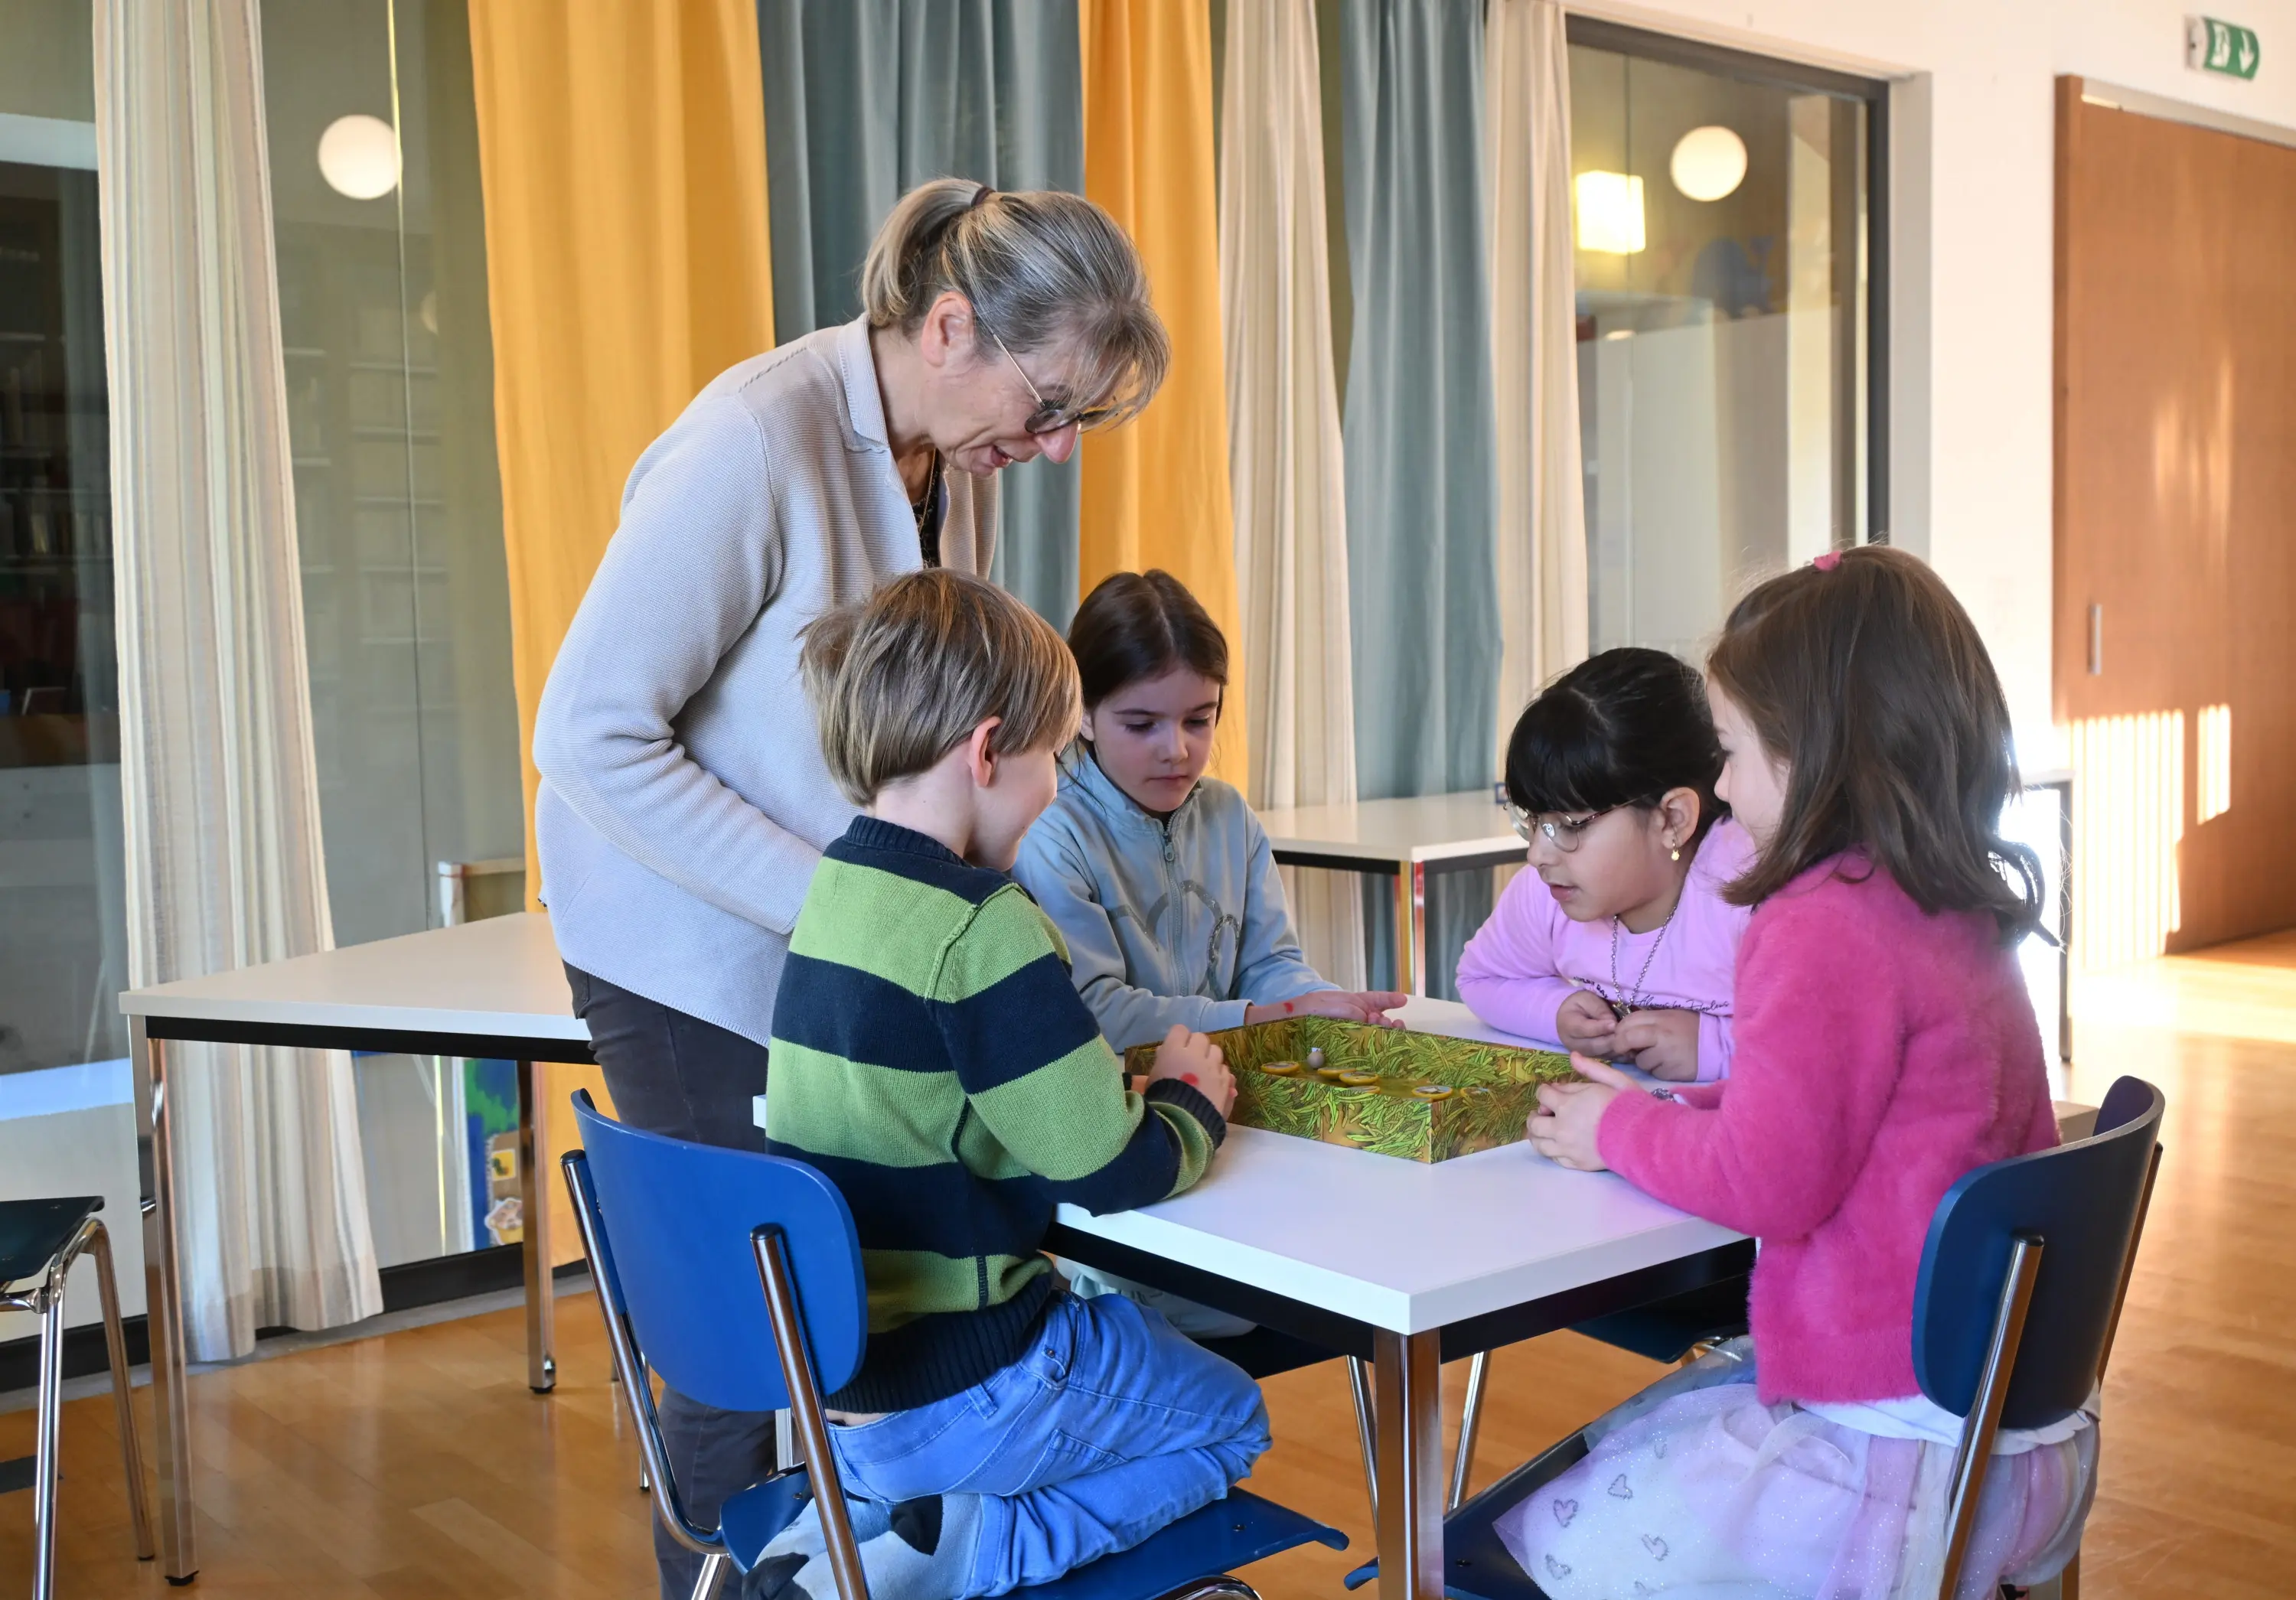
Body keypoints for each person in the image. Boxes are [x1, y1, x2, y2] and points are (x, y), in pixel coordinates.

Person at [530, 179, 1169, 1600]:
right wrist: (853, 903)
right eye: (1050, 403)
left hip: (851, 938)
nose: (1055, 449)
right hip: (692, 949)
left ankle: (878, 1568)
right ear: (950, 326)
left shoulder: (955, 461)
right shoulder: (756, 438)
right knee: (753, 1324)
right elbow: (585, 736)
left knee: (882, 1295)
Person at [1507, 547, 2087, 1598]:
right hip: (2010, 1431)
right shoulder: (1950, 897)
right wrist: (1680, 1106)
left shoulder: (1818, 921)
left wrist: (1615, 1132)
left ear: (1816, 749)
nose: (1720, 787)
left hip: (1885, 1460)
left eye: (1731, 753)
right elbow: (1854, 1106)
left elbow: (1773, 1178)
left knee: (1522, 1540)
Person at [757, 569, 1270, 1600]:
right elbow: (1105, 1159)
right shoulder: (983, 922)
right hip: (973, 1379)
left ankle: (864, 1535)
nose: (1052, 786)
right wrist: (1190, 1102)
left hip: (846, 1391)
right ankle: (976, 1548)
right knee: (1230, 1416)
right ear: (990, 751)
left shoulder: (837, 891)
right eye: (1051, 755)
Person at [1012, 569, 1405, 1051]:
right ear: (1083, 715)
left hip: (1225, 1086)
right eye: (1141, 725)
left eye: (1199, 720)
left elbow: (1268, 965)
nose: (1176, 749)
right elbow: (1095, 1012)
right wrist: (1257, 1018)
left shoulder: (1230, 816)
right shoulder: (1051, 833)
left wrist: (1327, 1006)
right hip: (1121, 1107)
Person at [1455, 647, 1757, 1082]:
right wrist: (1555, 1012)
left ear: (1671, 818)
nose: (1537, 854)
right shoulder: (1547, 894)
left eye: (1569, 824)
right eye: (1534, 821)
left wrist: (1717, 1047)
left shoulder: (1749, 894)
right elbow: (1482, 979)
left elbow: (1830, 1046)